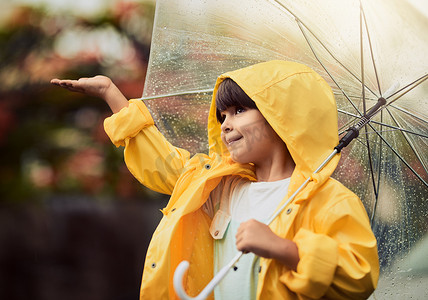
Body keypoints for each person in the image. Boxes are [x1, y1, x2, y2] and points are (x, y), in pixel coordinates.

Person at [51, 60, 379, 299]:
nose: (224, 124)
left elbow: (358, 275)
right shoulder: (219, 184)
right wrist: (111, 93)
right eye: (222, 116)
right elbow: (162, 162)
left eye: (239, 111)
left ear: (284, 117)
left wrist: (286, 250)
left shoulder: (328, 201)